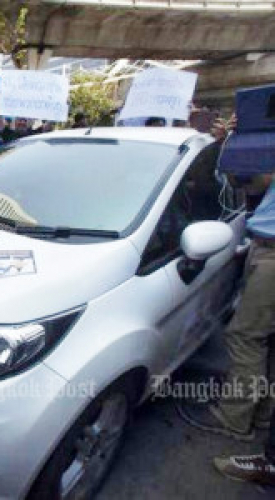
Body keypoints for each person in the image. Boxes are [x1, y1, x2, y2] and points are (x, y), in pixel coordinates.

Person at [176, 116, 275, 486]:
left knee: (246, 336)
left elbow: (248, 180)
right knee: (265, 339)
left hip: (273, 253)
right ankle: (260, 414)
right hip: (265, 247)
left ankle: (234, 420)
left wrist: (236, 148)